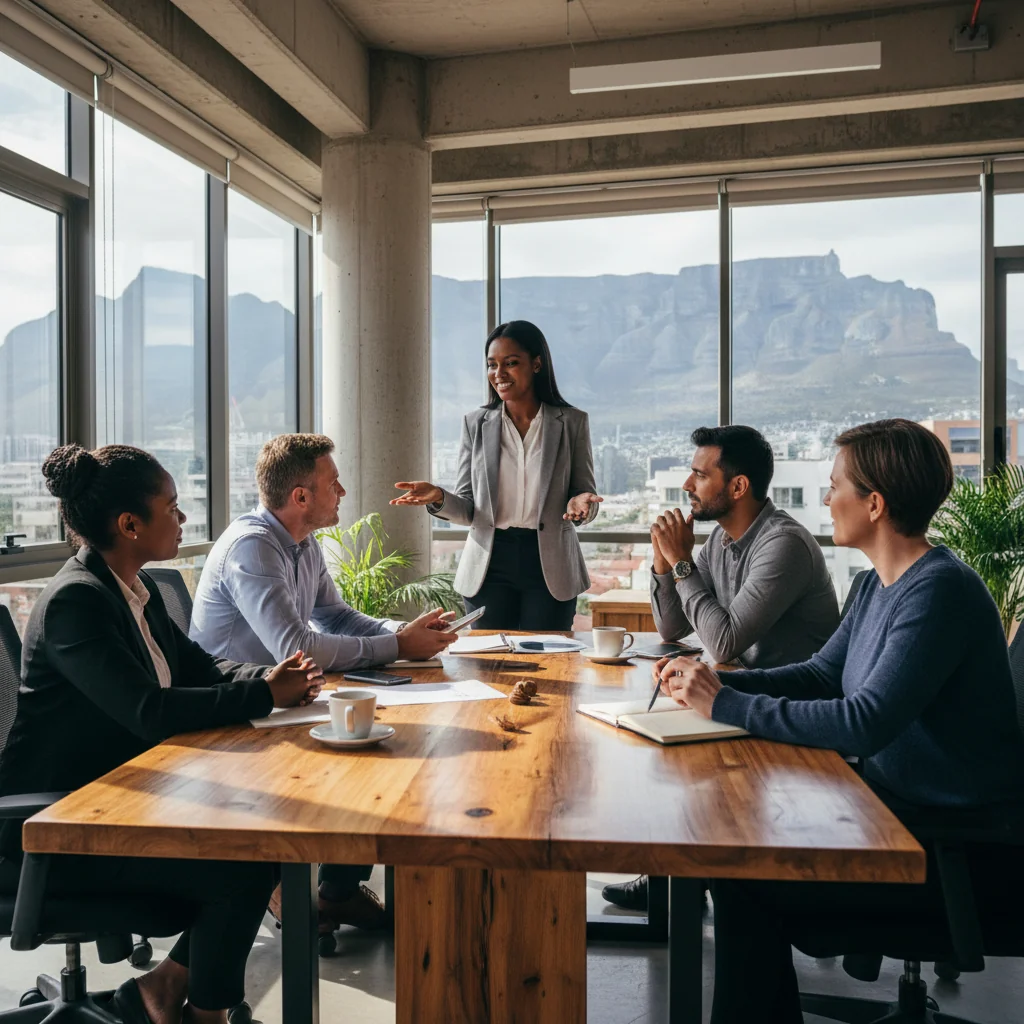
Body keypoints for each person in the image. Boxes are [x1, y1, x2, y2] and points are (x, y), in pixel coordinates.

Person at [654, 419, 1024, 1024]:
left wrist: (721, 704)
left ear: (874, 504)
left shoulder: (939, 593)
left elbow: (863, 722)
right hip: (893, 815)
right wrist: (714, 685)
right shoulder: (876, 586)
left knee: (741, 877)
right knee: (737, 860)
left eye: (834, 486)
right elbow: (821, 676)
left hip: (947, 848)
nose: (825, 499)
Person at [0, 444, 324, 1024]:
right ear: (129, 525)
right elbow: (147, 710)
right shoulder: (78, 602)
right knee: (241, 867)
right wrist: (263, 696)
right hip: (55, 829)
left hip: (120, 799)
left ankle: (164, 993)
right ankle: (202, 1012)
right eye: (172, 509)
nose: (182, 520)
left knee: (260, 848)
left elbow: (204, 667)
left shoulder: (134, 591)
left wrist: (273, 680)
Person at [189, 432, 456, 935]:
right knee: (361, 757)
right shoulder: (253, 549)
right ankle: (280, 885)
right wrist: (400, 648)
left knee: (374, 754)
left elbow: (333, 615)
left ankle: (335, 892)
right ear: (301, 497)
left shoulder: (301, 543)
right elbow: (300, 649)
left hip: (283, 703)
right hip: (233, 716)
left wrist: (402, 633)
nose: (344, 492)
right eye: (334, 483)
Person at [603, 424, 839, 912]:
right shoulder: (721, 543)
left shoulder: (782, 544)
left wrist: (683, 563)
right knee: (646, 735)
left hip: (788, 709)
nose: (688, 486)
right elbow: (673, 626)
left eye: (698, 475)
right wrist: (664, 564)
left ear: (738, 487)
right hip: (744, 692)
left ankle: (691, 881)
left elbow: (723, 638)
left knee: (671, 753)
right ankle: (678, 877)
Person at [391, 320, 603, 630]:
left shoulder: (571, 422)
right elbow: (467, 509)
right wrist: (438, 497)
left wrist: (582, 505)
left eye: (511, 363)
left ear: (537, 364)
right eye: (492, 365)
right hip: (489, 564)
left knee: (549, 661)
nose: (498, 373)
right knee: (487, 664)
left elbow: (586, 495)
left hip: (549, 564)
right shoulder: (475, 423)